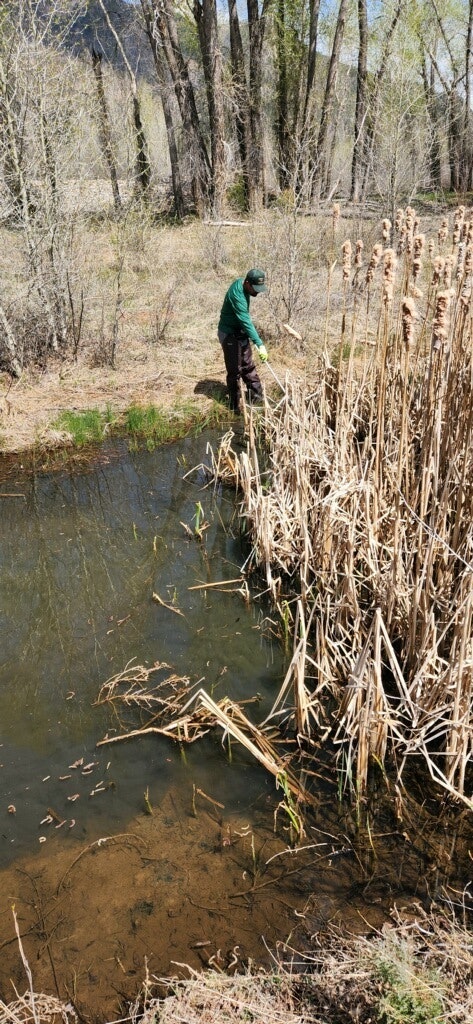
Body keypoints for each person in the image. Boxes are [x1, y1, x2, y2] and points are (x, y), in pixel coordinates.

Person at [218, 268, 269, 413]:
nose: (257, 292)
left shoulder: (246, 288)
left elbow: (244, 322)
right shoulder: (237, 294)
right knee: (235, 371)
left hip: (240, 331)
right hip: (228, 334)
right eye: (255, 288)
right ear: (247, 283)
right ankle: (235, 406)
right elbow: (246, 321)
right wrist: (260, 344)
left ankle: (257, 398)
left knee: (248, 365)